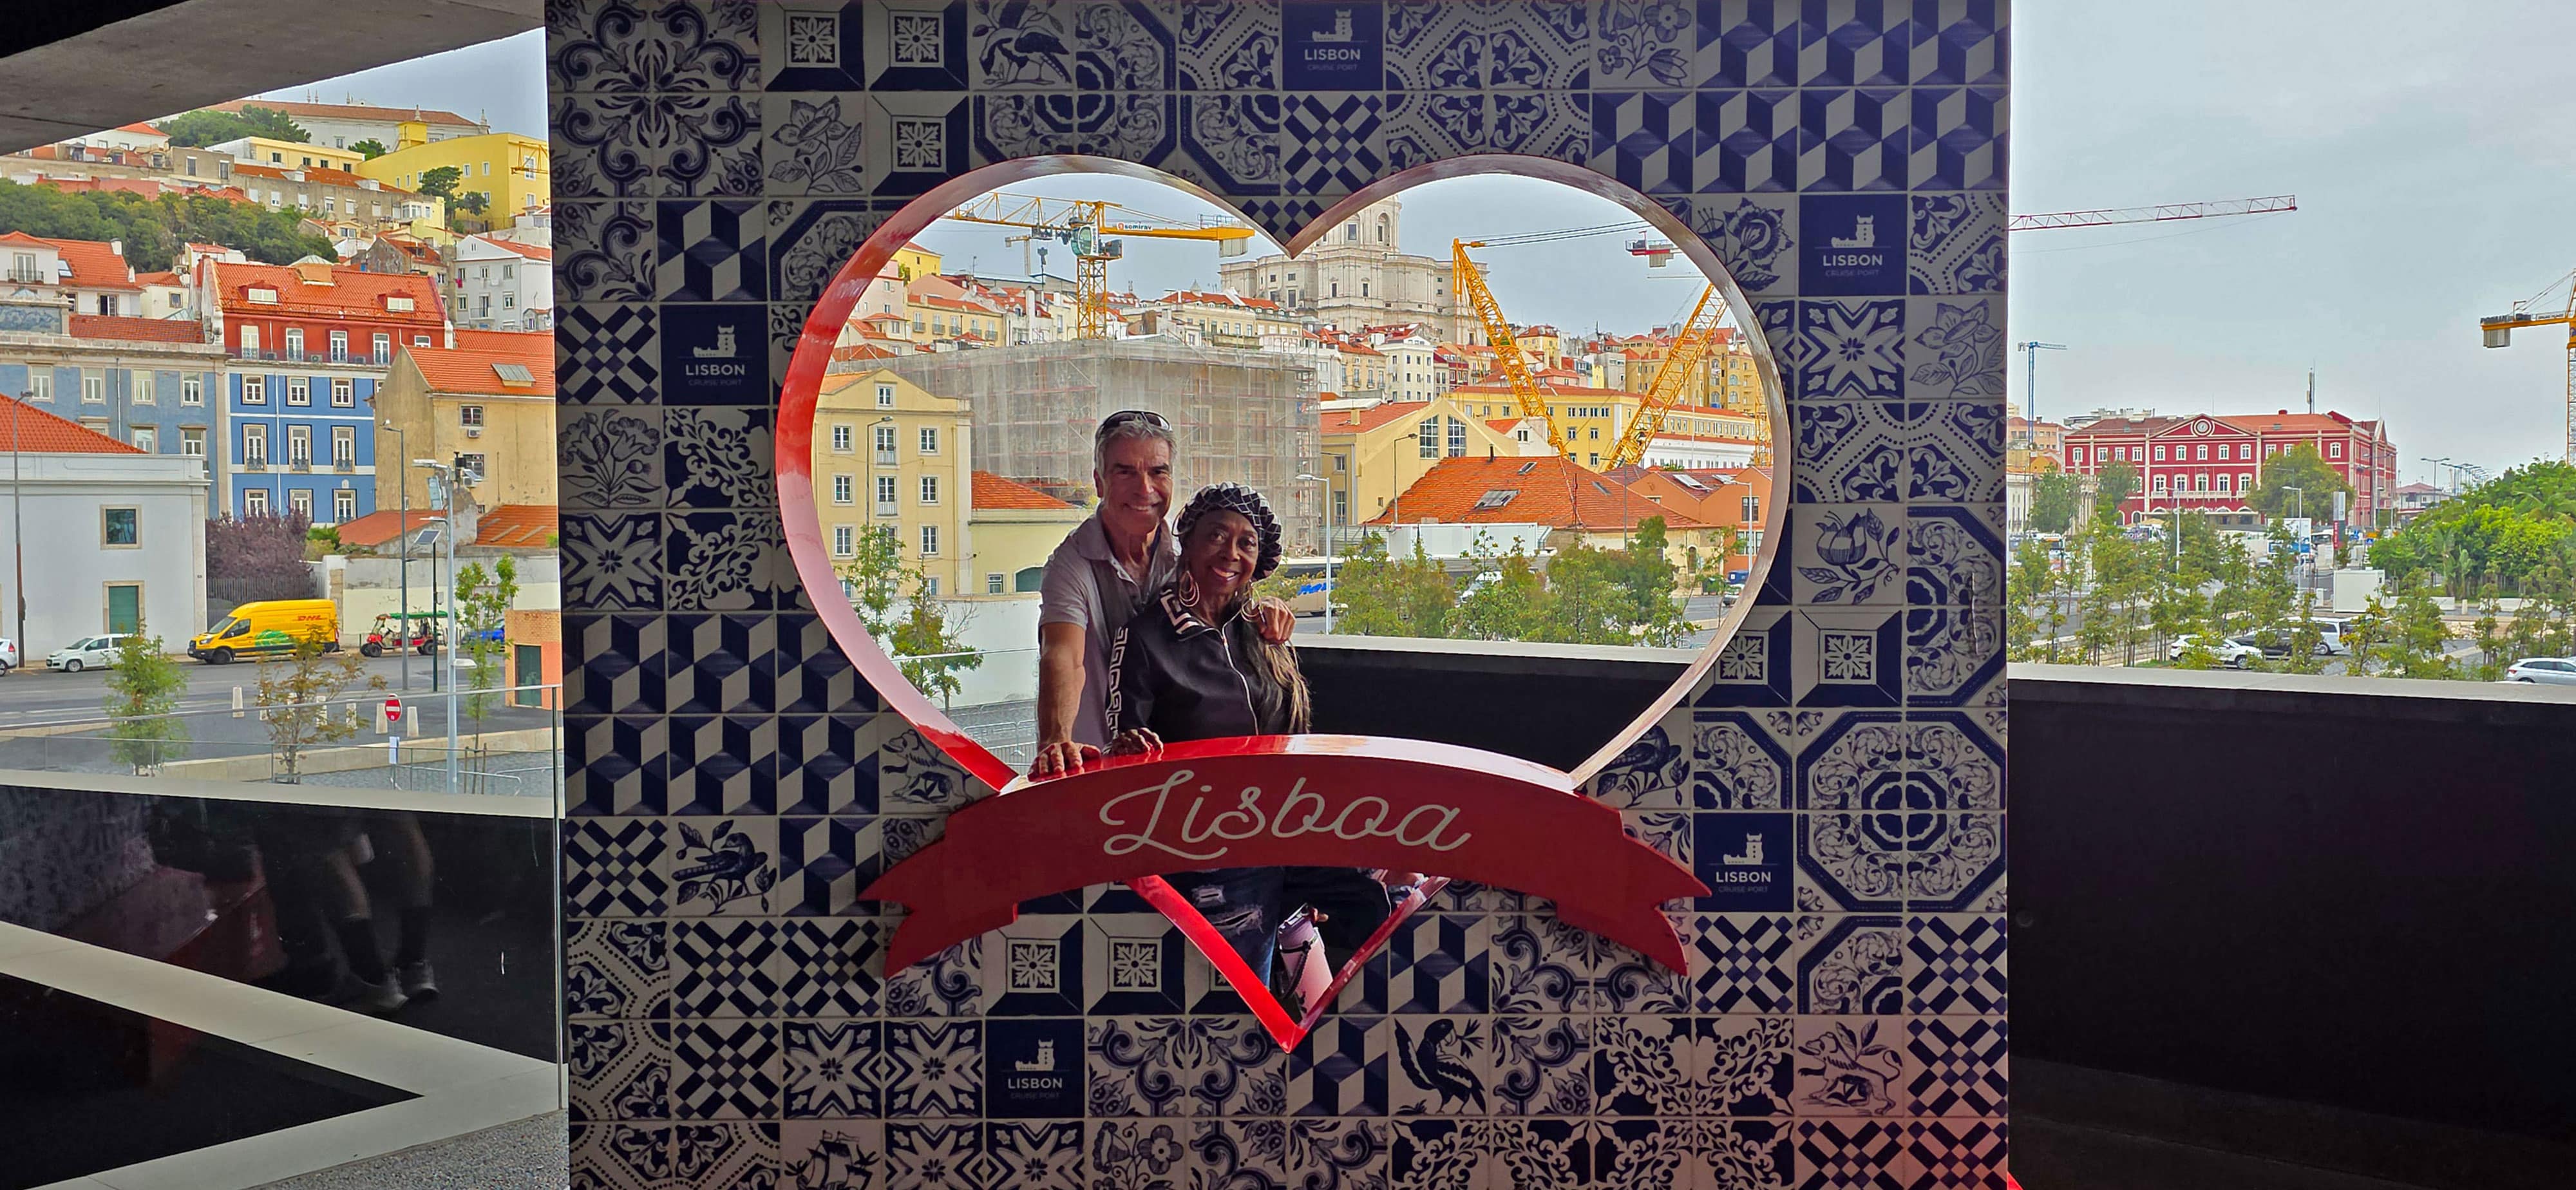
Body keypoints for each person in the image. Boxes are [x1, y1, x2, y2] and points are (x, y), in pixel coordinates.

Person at [1030, 411, 1291, 778]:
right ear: (1099, 482)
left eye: (1158, 472)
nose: (1144, 489)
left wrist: (1265, 609)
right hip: (1093, 765)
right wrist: (1056, 740)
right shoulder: (1071, 565)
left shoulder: (1188, 553)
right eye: (1125, 472)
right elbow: (1063, 655)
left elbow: (1227, 599)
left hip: (1169, 770)